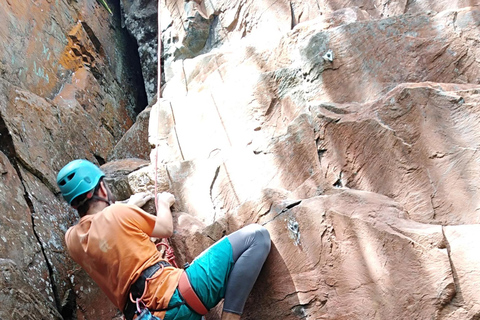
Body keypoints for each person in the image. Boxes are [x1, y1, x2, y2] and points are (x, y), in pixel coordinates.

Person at [57, 159, 271, 320]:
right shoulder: (118, 213)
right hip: (178, 292)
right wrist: (162, 204)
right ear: (101, 188)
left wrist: (128, 206)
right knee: (256, 237)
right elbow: (165, 228)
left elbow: (102, 227)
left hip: (143, 315)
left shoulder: (72, 241)